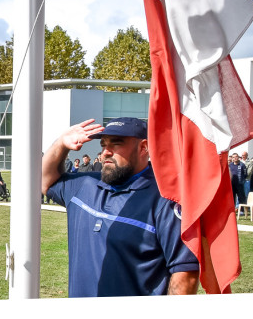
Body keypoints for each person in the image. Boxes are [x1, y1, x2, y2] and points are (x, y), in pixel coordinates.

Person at [41, 118, 199, 296]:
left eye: (116, 144)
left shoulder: (165, 200)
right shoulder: (85, 185)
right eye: (103, 145)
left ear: (144, 147)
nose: (106, 152)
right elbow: (45, 180)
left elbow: (185, 273)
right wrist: (61, 143)